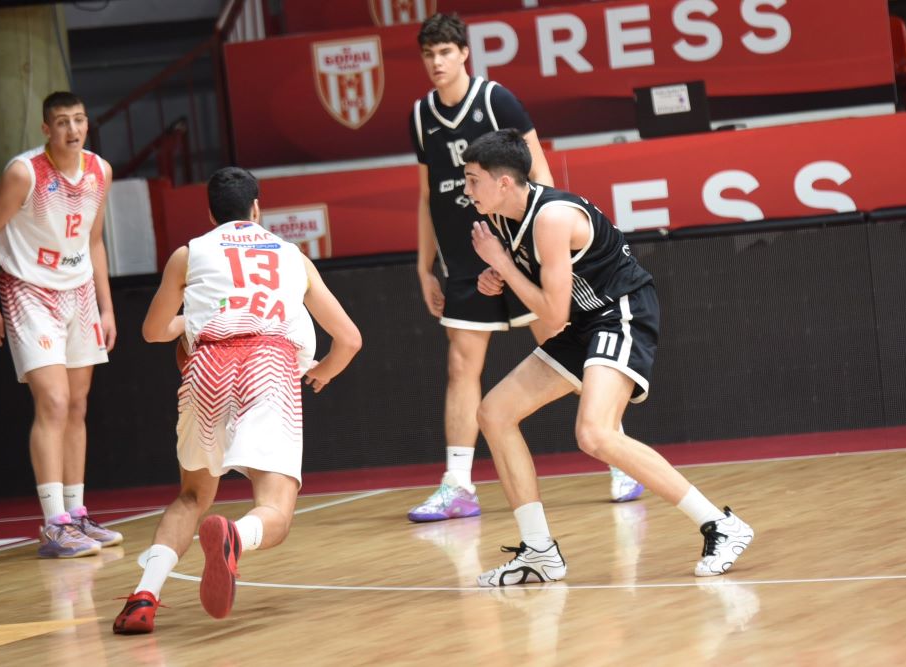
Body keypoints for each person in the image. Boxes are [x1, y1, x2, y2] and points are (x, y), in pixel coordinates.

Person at [461, 129, 753, 586]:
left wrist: (502, 265)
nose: (466, 190)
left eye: (472, 179)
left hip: (621, 311)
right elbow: (546, 289)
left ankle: (720, 524)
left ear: (503, 182)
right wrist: (497, 274)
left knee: (595, 433)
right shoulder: (500, 217)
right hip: (585, 320)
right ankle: (539, 552)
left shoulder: (551, 217)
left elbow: (551, 314)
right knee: (494, 413)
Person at [408, 13, 641, 522]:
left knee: (566, 350)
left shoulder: (496, 100)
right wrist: (425, 267)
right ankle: (457, 484)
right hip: (466, 258)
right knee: (461, 365)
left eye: (444, 52)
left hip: (520, 247)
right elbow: (427, 195)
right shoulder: (422, 115)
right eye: (428, 54)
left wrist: (539, 247)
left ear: (463, 53)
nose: (437, 62)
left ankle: (618, 456)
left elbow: (540, 172)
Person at [113, 167, 361, 634]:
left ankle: (144, 596)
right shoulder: (291, 256)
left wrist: (192, 320)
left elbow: (152, 331)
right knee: (276, 510)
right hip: (268, 366)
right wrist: (324, 372)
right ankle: (236, 536)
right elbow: (349, 339)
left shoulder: (189, 253)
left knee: (192, 496)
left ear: (211, 214)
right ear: (257, 208)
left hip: (207, 368)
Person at [0, 91, 121, 559]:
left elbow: (94, 241)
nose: (72, 130)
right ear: (46, 129)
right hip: (28, 292)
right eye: (62, 122)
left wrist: (106, 307)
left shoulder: (100, 170)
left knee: (76, 404)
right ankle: (54, 524)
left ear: (87, 124)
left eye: (79, 120)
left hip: (79, 293)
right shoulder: (25, 172)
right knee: (52, 400)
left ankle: (76, 515)